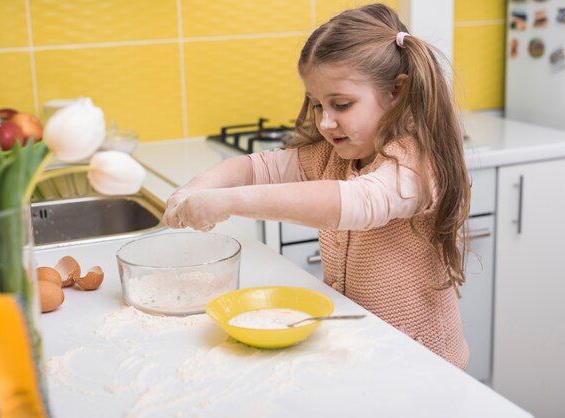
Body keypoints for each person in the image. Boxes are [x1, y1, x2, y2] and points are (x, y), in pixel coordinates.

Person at [163, 3, 471, 369]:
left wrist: (228, 202)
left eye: (341, 104)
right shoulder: (333, 156)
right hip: (364, 348)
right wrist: (194, 190)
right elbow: (253, 167)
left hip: (423, 361)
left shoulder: (417, 162)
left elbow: (356, 203)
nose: (326, 122)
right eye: (316, 104)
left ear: (396, 92)